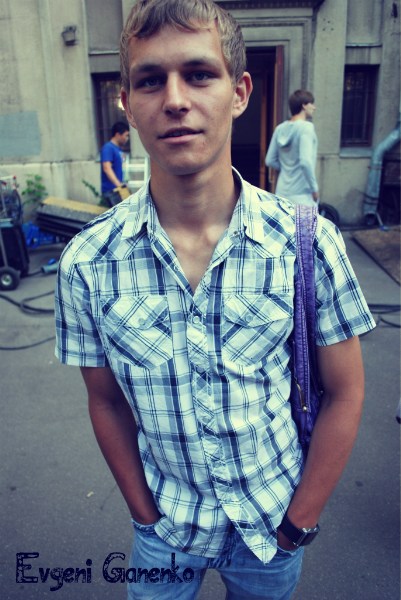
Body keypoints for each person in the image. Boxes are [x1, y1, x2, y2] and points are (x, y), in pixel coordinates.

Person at [55, 2, 376, 599]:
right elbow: (105, 401)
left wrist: (297, 524)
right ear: (127, 102)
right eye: (151, 80)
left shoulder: (307, 243)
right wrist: (144, 516)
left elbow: (346, 392)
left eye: (200, 74)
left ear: (240, 92)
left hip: (271, 527)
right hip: (164, 530)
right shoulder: (88, 261)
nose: (175, 99)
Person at [265, 89, 319, 207]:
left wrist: (286, 168)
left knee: (284, 220)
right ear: (304, 105)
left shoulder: (279, 129)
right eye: (311, 103)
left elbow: (269, 160)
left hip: (282, 194)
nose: (314, 107)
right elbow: (305, 162)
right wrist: (314, 189)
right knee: (306, 221)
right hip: (303, 196)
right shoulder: (306, 128)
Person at [100, 121, 130, 205]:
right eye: (126, 135)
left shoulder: (118, 149)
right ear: (118, 135)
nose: (127, 138)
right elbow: (107, 168)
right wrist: (120, 186)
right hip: (112, 191)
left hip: (118, 189)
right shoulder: (108, 148)